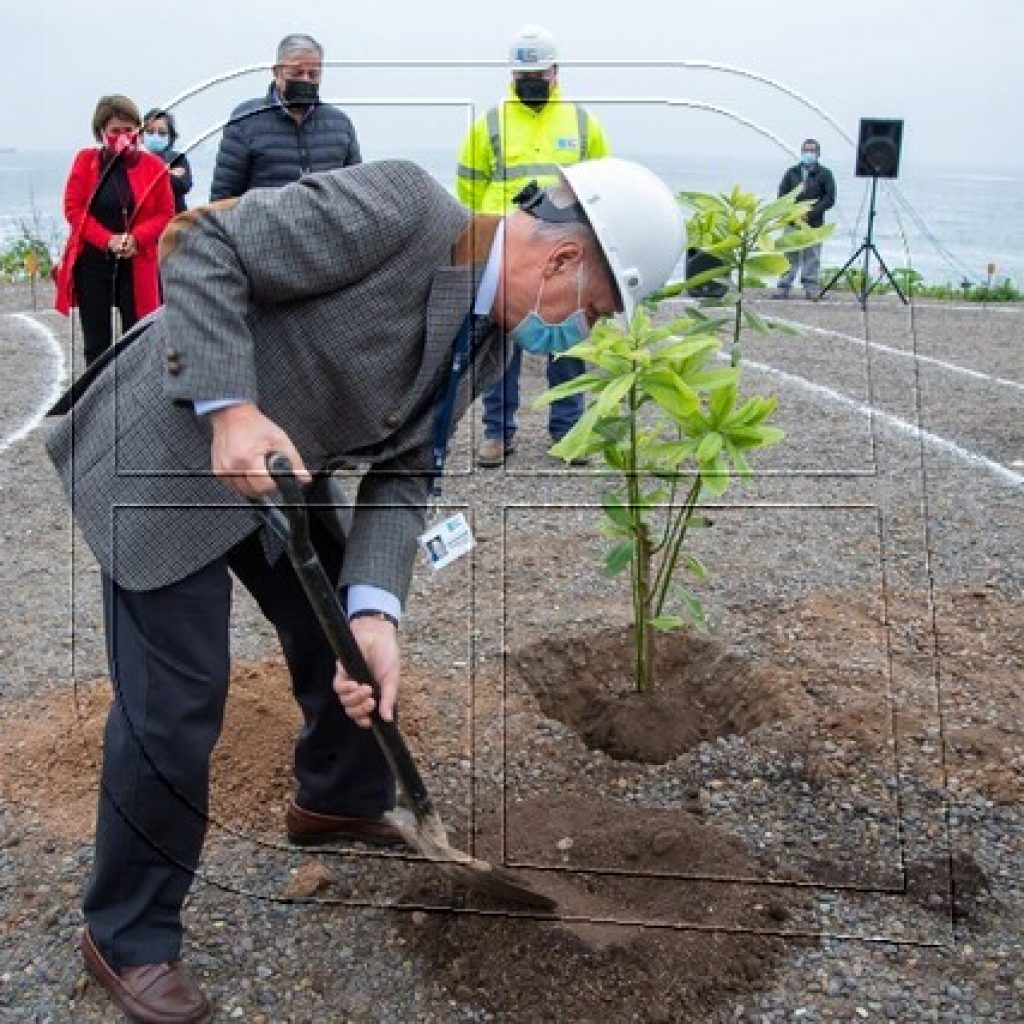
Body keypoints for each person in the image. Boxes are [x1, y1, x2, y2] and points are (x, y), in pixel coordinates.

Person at [46, 155, 683, 1023]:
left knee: (339, 632)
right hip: (167, 447)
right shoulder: (407, 211)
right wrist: (229, 404)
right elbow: (201, 244)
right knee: (179, 698)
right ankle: (126, 934)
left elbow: (406, 472)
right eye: (601, 312)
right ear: (566, 264)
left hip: (281, 468)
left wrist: (377, 609)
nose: (593, 334)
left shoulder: (491, 340)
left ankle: (335, 800)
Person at [456, 24, 611, 467]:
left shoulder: (583, 123)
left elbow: (602, 186)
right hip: (508, 252)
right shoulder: (490, 123)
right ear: (512, 74)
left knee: (568, 344)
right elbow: (467, 189)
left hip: (568, 254)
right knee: (504, 345)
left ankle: (568, 433)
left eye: (538, 75)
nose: (531, 83)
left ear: (555, 72)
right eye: (523, 76)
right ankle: (496, 434)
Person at [54, 95, 175, 366]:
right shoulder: (85, 162)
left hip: (136, 263)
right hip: (94, 263)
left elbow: (165, 213)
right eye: (115, 131)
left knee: (141, 338)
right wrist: (107, 239)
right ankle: (96, 401)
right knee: (96, 345)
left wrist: (137, 238)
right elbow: (74, 209)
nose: (123, 137)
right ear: (101, 133)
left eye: (130, 130)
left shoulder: (154, 167)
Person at [210, 33, 360, 200]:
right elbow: (223, 197)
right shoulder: (245, 120)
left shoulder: (340, 124)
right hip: (264, 223)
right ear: (277, 72)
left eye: (313, 74)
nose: (306, 80)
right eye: (297, 73)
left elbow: (355, 191)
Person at [772, 138, 836, 300]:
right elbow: (782, 194)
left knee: (812, 255)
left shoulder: (825, 174)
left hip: (814, 223)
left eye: (812, 151)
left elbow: (829, 199)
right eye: (806, 150)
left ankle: (811, 287)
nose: (809, 153)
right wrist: (793, 212)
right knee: (789, 254)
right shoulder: (791, 172)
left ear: (818, 153)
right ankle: (784, 286)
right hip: (793, 221)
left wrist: (811, 213)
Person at [142, 108, 193, 213]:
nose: (155, 136)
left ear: (170, 137)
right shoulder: (134, 159)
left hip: (175, 223)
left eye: (162, 133)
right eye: (150, 132)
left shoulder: (178, 159)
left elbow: (183, 185)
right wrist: (166, 172)